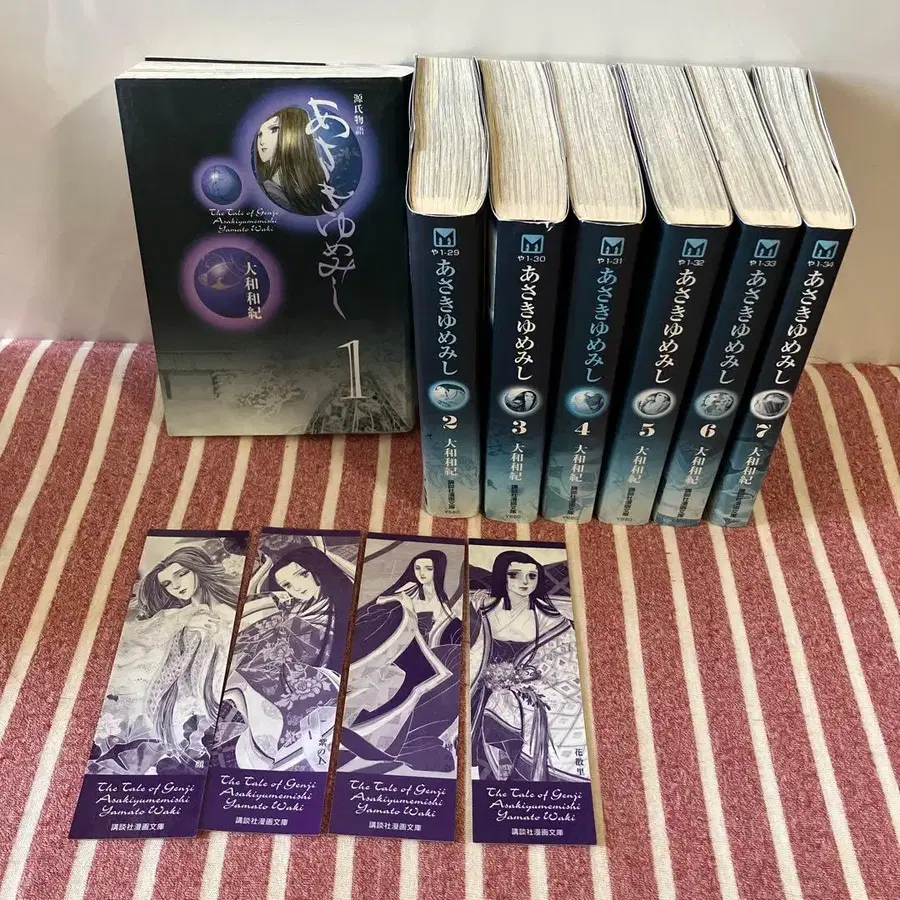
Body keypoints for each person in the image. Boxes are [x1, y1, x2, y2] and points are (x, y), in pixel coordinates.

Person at [90, 543, 241, 776]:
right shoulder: (177, 616)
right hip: (178, 701)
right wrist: (182, 627)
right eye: (168, 584)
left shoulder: (225, 610)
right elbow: (136, 639)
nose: (176, 586)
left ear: (197, 568)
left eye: (181, 574)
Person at [211, 543, 356, 771]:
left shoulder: (339, 604)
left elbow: (310, 648)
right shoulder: (295, 607)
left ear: (317, 569)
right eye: (287, 584)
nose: (296, 587)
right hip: (279, 661)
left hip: (309, 669)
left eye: (302, 575)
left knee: (241, 676)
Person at [337, 548, 463, 775]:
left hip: (429, 658)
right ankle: (367, 736)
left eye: (428, 568)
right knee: (398, 687)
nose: (422, 573)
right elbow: (381, 609)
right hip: (399, 653)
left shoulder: (445, 607)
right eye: (417, 568)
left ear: (439, 570)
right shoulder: (406, 591)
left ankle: (400, 744)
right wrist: (402, 603)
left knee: (434, 681)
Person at [470, 551, 589, 783]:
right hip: (478, 684)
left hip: (525, 688)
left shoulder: (550, 619)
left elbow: (565, 664)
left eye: (532, 576)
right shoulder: (481, 607)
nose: (524, 582)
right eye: (515, 574)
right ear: (502, 576)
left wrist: (524, 680)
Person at [254, 106, 324, 214]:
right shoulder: (270, 193)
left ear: (296, 133)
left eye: (274, 129)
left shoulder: (315, 187)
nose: (262, 141)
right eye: (260, 134)